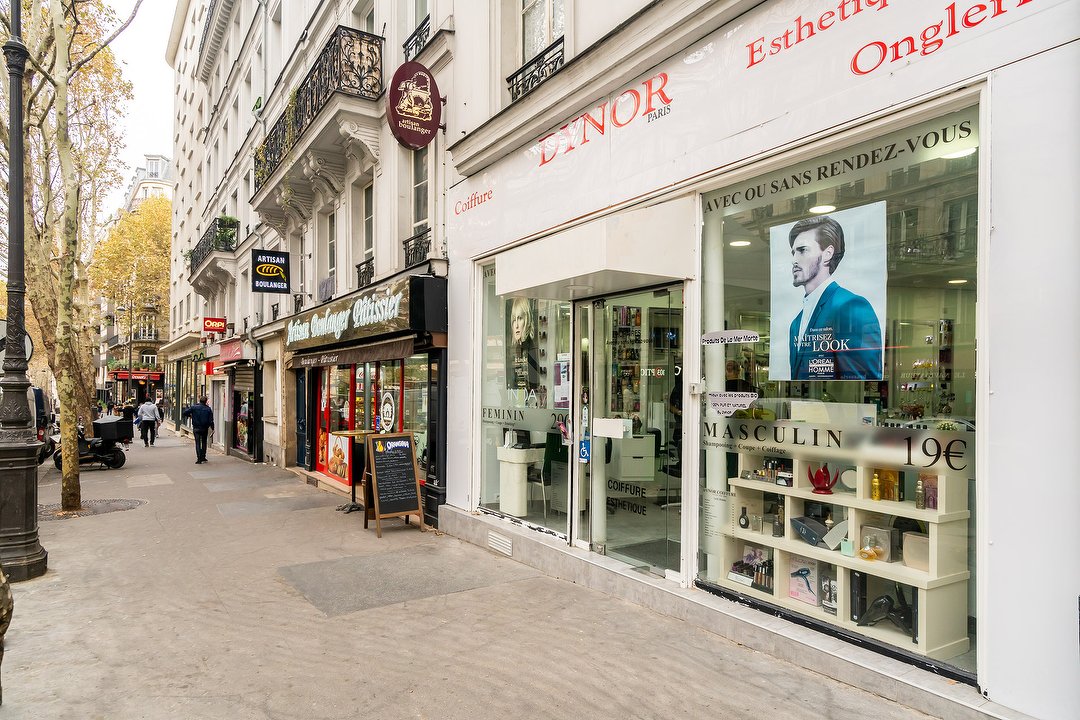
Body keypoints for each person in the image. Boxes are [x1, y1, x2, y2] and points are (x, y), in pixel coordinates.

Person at [787, 215, 882, 380]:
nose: (794, 260)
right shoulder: (796, 323)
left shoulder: (851, 306)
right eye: (793, 252)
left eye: (802, 250)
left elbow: (864, 381)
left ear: (828, 253)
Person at [508, 297, 539, 395]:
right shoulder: (517, 348)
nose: (516, 325)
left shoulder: (530, 347)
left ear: (527, 320)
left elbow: (533, 381)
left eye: (520, 318)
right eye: (514, 320)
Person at [182, 396, 215, 464]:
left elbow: (185, 412)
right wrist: (212, 428)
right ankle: (203, 457)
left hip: (196, 427)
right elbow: (211, 420)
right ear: (206, 401)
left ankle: (199, 458)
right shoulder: (208, 409)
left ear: (199, 401)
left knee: (197, 442)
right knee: (204, 442)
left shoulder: (194, 407)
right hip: (204, 428)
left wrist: (191, 416)